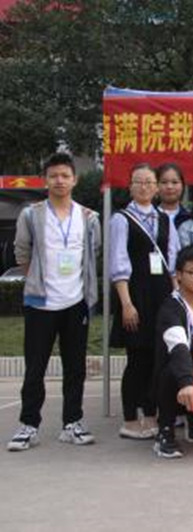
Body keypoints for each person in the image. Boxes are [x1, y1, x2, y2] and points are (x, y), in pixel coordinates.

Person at [7, 153, 101, 451]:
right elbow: (22, 252)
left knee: (75, 368)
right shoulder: (31, 214)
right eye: (54, 176)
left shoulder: (88, 217)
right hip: (41, 304)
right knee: (35, 367)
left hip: (76, 302)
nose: (59, 181)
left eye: (65, 175)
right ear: (45, 180)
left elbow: (94, 251)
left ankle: (72, 423)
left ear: (75, 180)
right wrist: (37, 280)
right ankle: (28, 425)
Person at [110, 163, 179, 440]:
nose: (144, 187)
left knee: (156, 359)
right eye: (138, 182)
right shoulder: (121, 219)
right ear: (130, 187)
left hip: (161, 295)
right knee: (137, 360)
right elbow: (118, 262)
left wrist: (175, 298)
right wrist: (126, 304)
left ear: (156, 187)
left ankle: (150, 414)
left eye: (150, 182)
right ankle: (129, 419)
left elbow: (172, 261)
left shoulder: (164, 219)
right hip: (135, 295)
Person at [152, 245, 193, 459]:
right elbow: (178, 347)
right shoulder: (171, 307)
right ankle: (165, 432)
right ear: (178, 275)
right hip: (178, 376)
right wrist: (187, 382)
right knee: (173, 370)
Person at [156, 162, 191, 230]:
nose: (169, 187)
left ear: (182, 186)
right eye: (164, 182)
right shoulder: (149, 217)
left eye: (175, 182)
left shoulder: (189, 219)